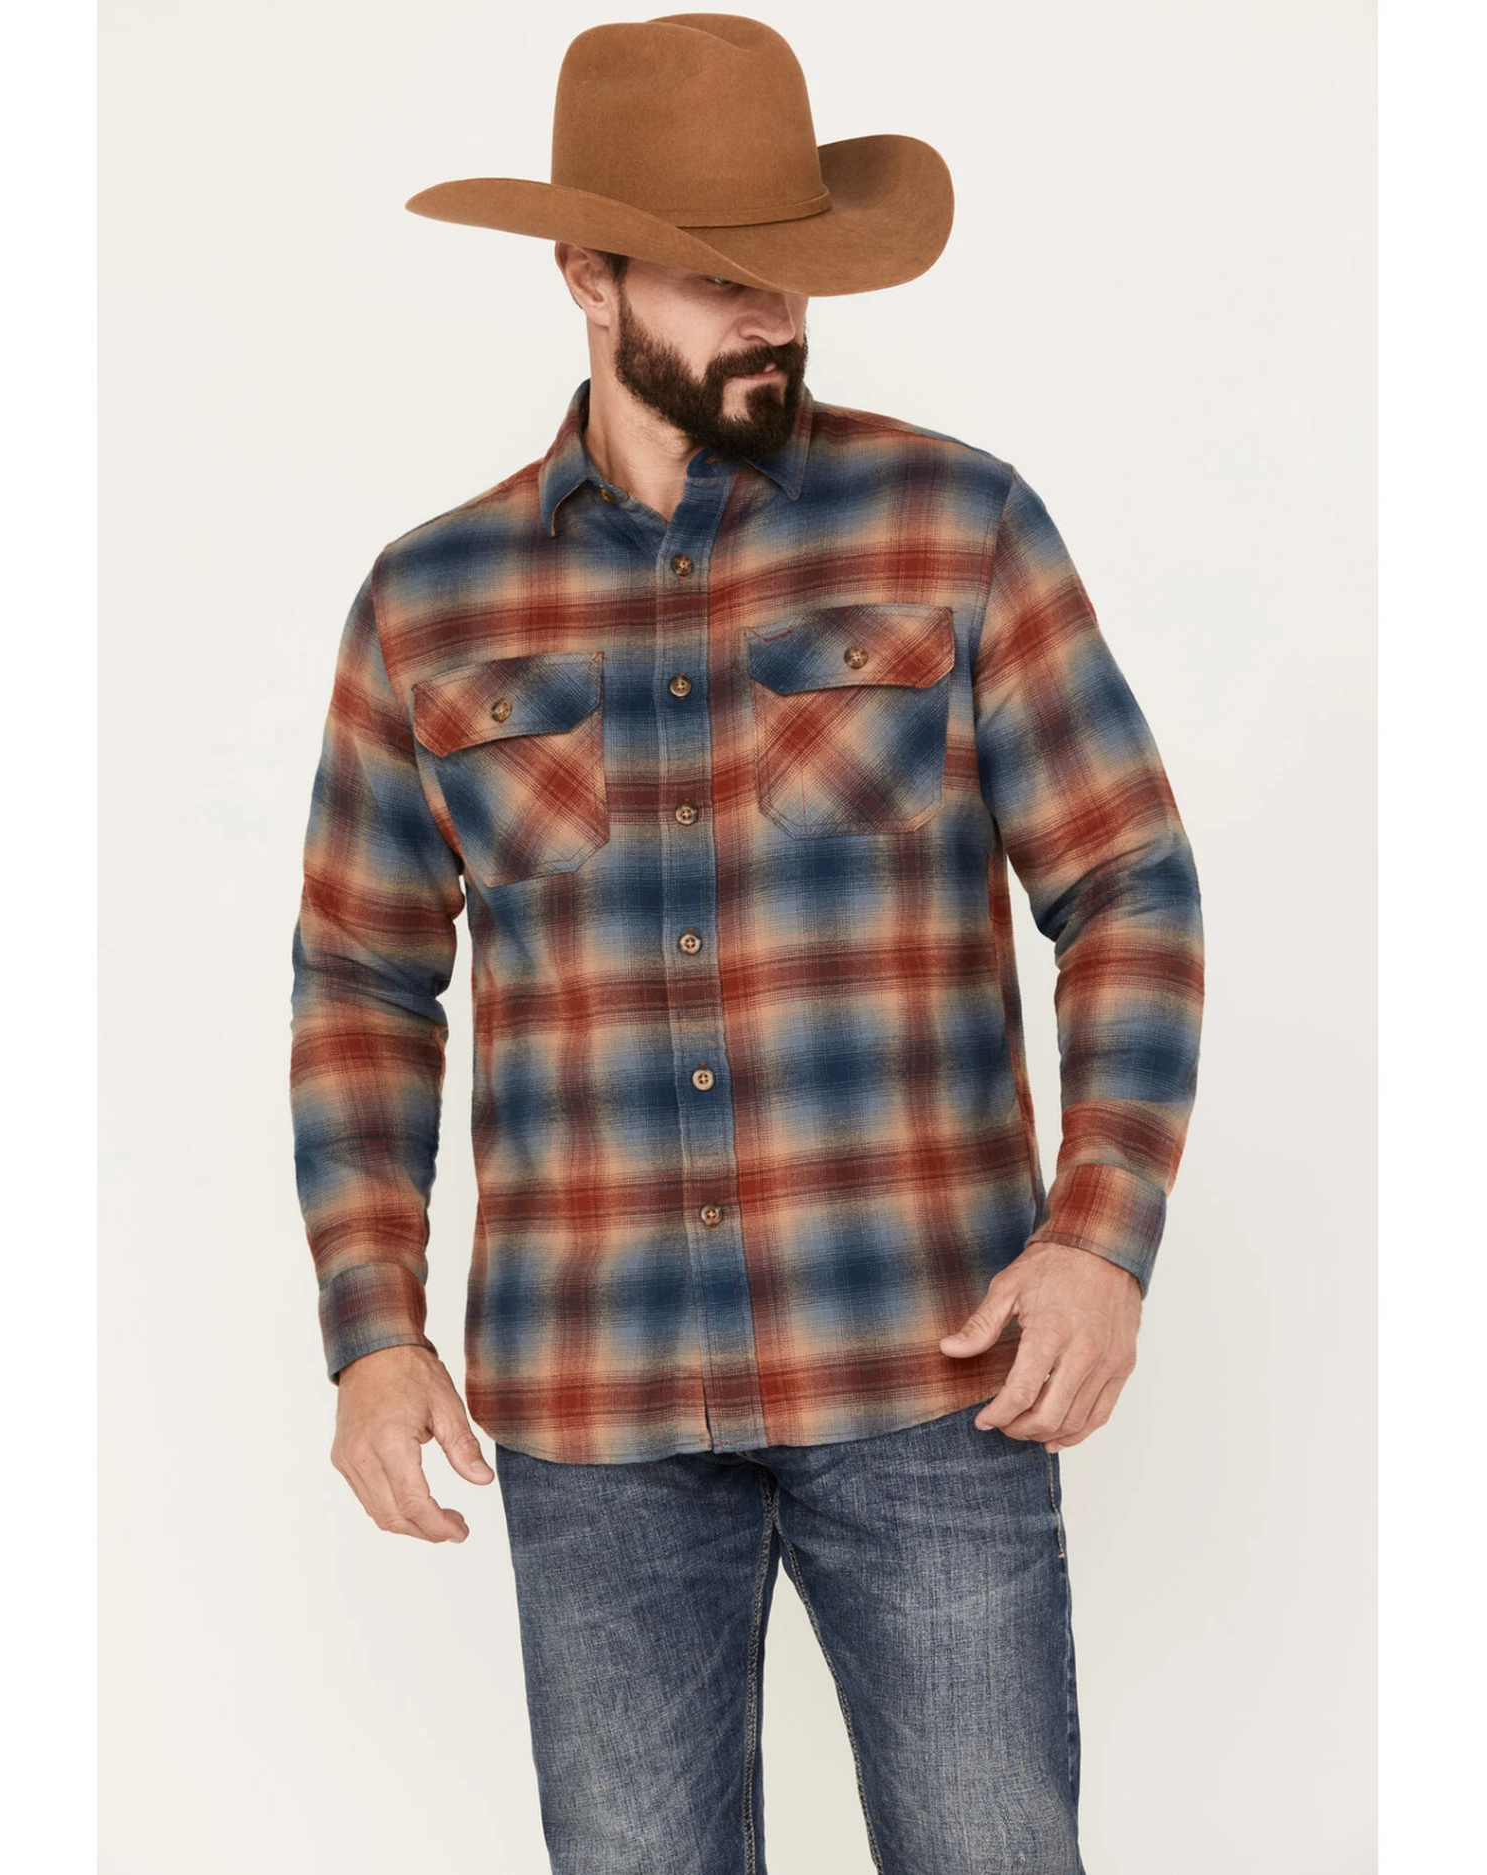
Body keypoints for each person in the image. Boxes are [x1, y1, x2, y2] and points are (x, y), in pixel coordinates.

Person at [289, 16, 1204, 1874]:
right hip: (596, 1406)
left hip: (927, 1370)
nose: (772, 318)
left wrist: (1101, 1234)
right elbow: (364, 982)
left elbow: (1127, 878)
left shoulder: (956, 525)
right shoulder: (429, 600)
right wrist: (371, 1330)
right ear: (586, 278)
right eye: (718, 279)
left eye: (789, 272)